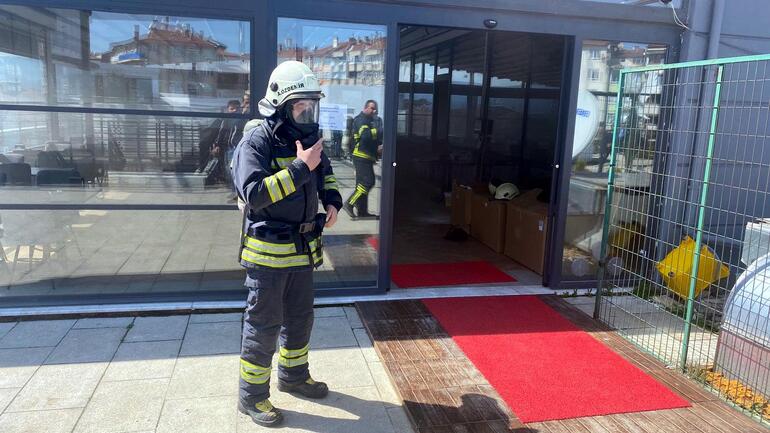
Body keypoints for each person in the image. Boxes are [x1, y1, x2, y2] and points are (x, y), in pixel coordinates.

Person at [230, 60, 342, 427]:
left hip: (302, 251)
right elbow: (254, 194)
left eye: (312, 105)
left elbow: (326, 174)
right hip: (268, 255)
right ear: (280, 104)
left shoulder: (309, 137)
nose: (308, 112)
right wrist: (298, 168)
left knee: (300, 320)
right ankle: (252, 398)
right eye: (300, 106)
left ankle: (294, 376)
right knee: (263, 325)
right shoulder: (257, 140)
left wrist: (332, 201)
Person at [343, 100, 382, 220]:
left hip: (367, 156)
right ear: (365, 108)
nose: (374, 111)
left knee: (361, 185)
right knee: (368, 182)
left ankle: (362, 211)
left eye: (375, 109)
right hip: (361, 156)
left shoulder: (370, 120)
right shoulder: (361, 119)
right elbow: (365, 136)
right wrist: (380, 131)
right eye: (371, 108)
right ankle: (349, 203)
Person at [196, 100, 244, 182]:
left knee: (233, 168)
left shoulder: (242, 120)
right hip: (227, 147)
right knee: (228, 167)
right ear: (227, 109)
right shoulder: (225, 120)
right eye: (232, 108)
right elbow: (221, 133)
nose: (234, 110)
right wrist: (217, 144)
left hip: (237, 147)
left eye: (237, 108)